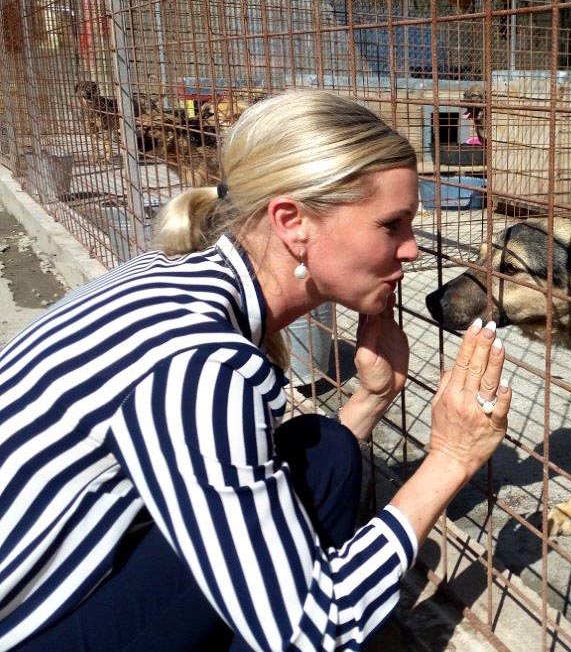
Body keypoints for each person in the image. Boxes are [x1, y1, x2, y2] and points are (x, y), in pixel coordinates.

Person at [0, 89, 512, 652]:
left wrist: (371, 398)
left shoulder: (171, 274)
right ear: (292, 222)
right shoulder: (201, 365)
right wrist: (451, 459)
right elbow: (318, 629)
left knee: (327, 451)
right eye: (392, 225)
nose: (413, 249)